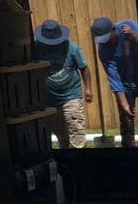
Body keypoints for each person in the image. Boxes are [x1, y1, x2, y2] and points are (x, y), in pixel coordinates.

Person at [33, 18, 93, 150]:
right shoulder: (36, 48)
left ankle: (79, 157)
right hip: (49, 98)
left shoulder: (72, 48)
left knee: (76, 126)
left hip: (71, 93)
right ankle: (64, 158)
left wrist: (88, 88)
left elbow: (84, 68)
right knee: (60, 132)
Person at [91, 16, 138, 147]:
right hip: (125, 86)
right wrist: (123, 102)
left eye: (107, 38)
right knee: (126, 121)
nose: (105, 43)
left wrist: (133, 35)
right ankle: (129, 148)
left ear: (113, 30)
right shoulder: (103, 50)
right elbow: (113, 76)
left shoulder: (129, 26)